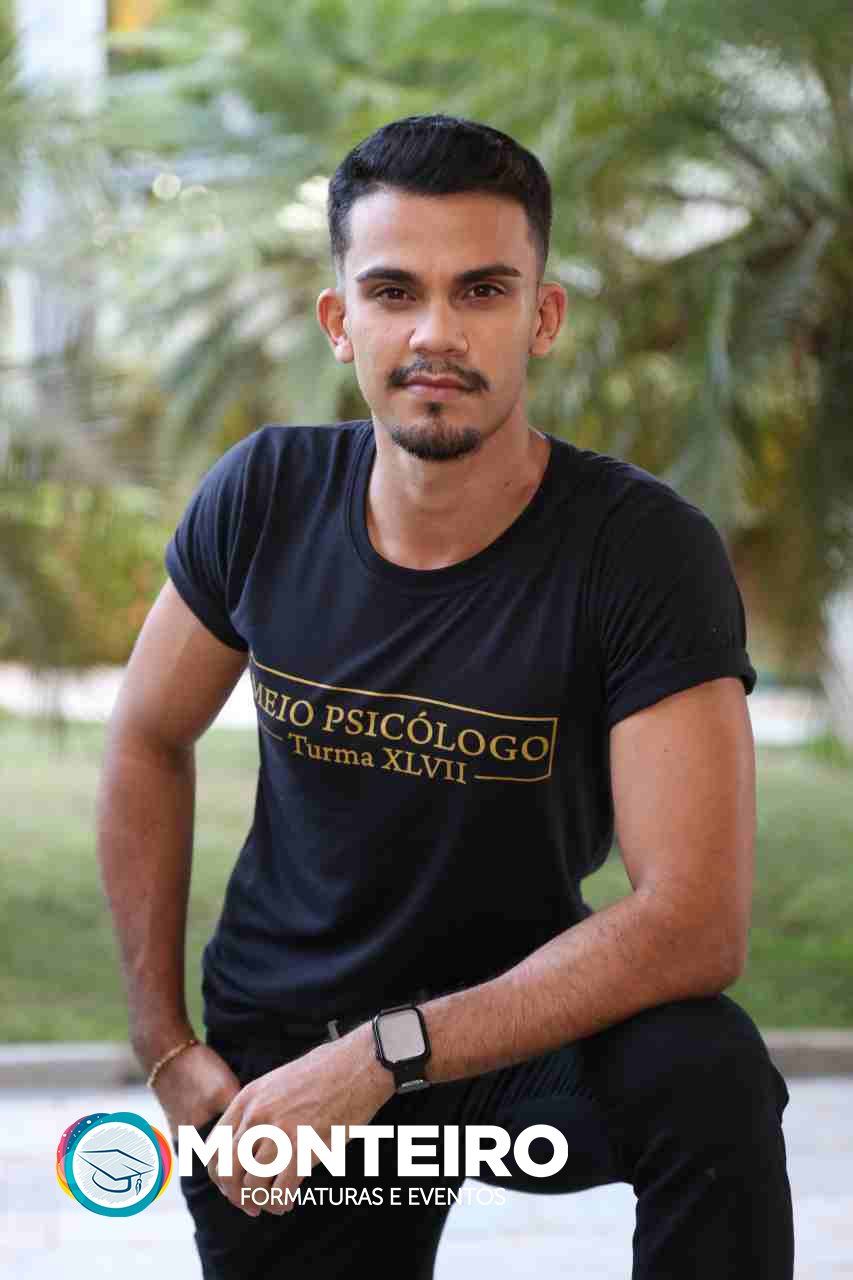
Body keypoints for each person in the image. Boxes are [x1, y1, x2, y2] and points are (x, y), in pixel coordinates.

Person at [97, 113, 793, 1278]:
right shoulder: (264, 495)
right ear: (340, 321)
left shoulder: (639, 551)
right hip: (292, 1050)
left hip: (524, 1038)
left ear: (542, 316)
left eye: (481, 290)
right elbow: (144, 737)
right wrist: (163, 1040)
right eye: (392, 291)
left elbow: (693, 920)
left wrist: (391, 1051)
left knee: (705, 1075)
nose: (434, 332)